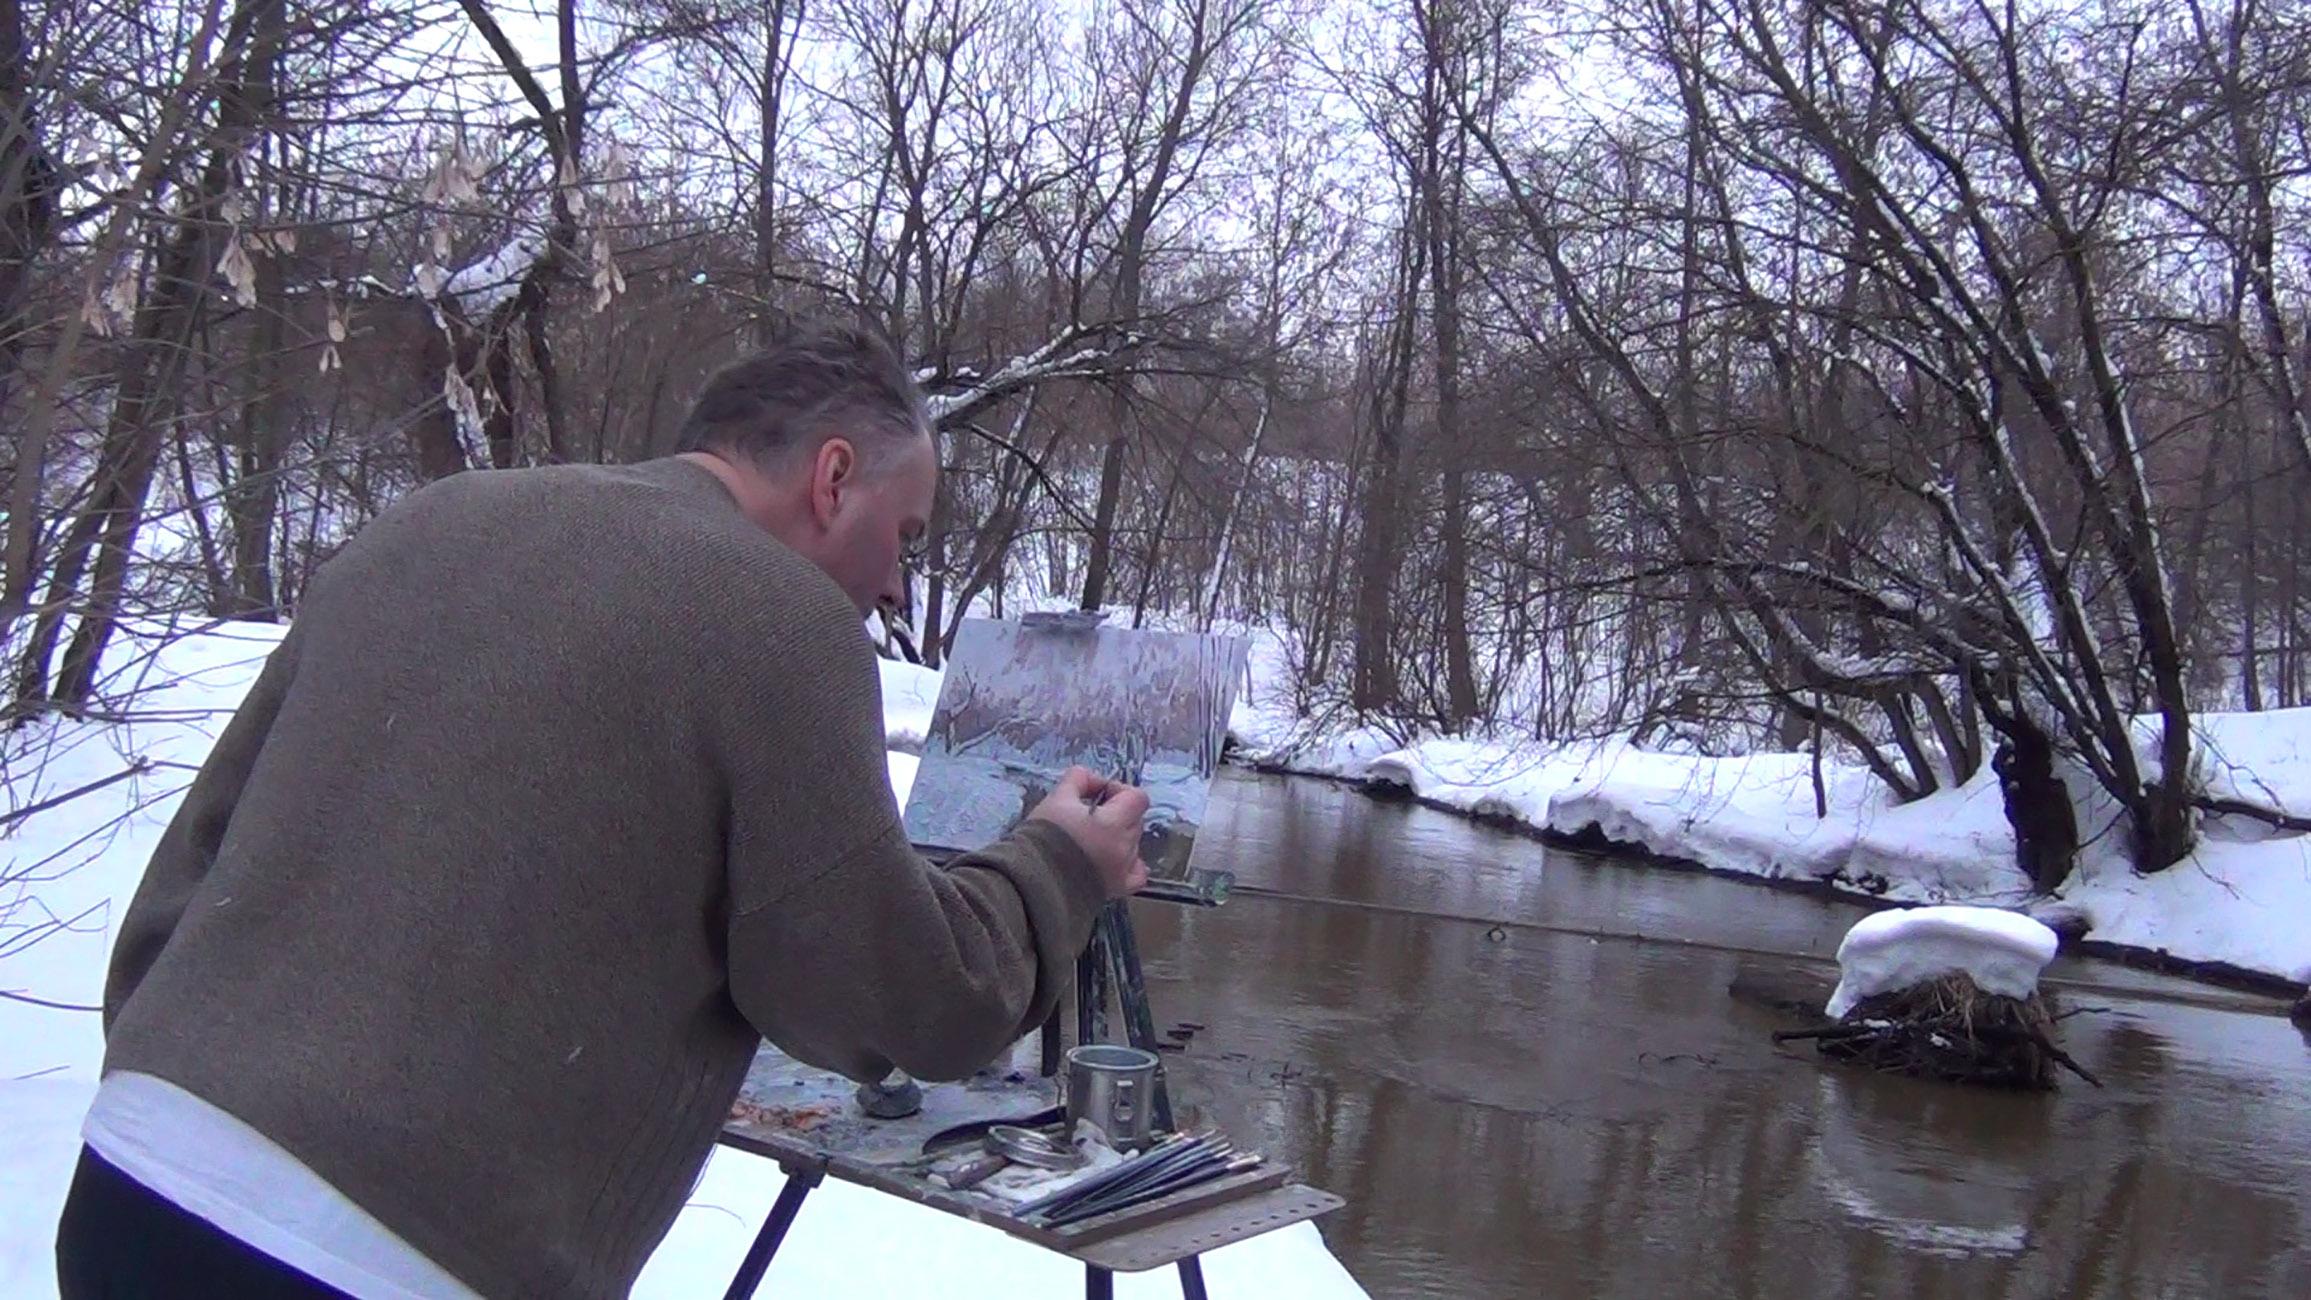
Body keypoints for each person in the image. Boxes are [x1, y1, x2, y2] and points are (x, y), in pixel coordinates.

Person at [53, 319, 1151, 1299]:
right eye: (905, 535)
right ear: (830, 478)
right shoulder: (779, 621)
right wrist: (1060, 862)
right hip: (381, 1256)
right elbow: (900, 998)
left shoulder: (428, 521)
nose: (901, 589)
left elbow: (195, 866)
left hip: (131, 1176)